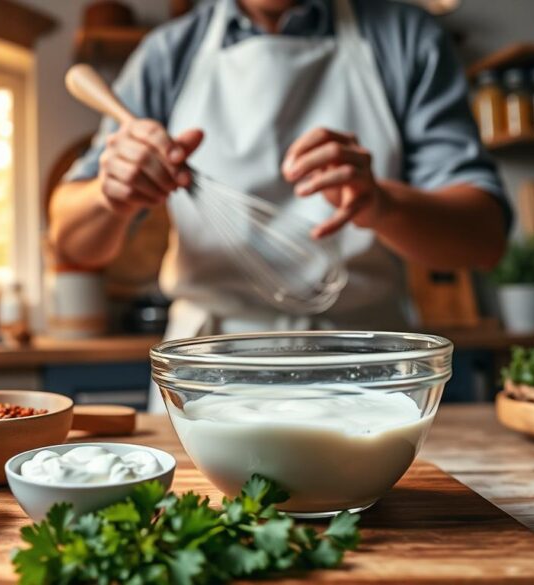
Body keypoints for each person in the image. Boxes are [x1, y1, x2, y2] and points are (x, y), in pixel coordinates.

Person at [50, 0, 510, 411]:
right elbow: (71, 242)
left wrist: (383, 204)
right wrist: (111, 192)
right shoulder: (169, 52)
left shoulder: (404, 38)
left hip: (365, 380)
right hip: (208, 384)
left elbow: (484, 239)